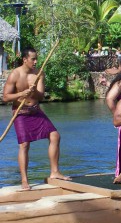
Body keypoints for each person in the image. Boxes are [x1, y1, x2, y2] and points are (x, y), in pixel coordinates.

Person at [2, 47, 70, 190]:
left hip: (36, 111)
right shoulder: (15, 74)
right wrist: (22, 93)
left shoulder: (39, 73)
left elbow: (41, 96)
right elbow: (6, 97)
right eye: (33, 59)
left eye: (36, 58)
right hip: (20, 113)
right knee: (24, 145)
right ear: (24, 59)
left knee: (55, 136)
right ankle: (25, 180)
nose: (35, 61)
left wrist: (34, 92)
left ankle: (54, 172)